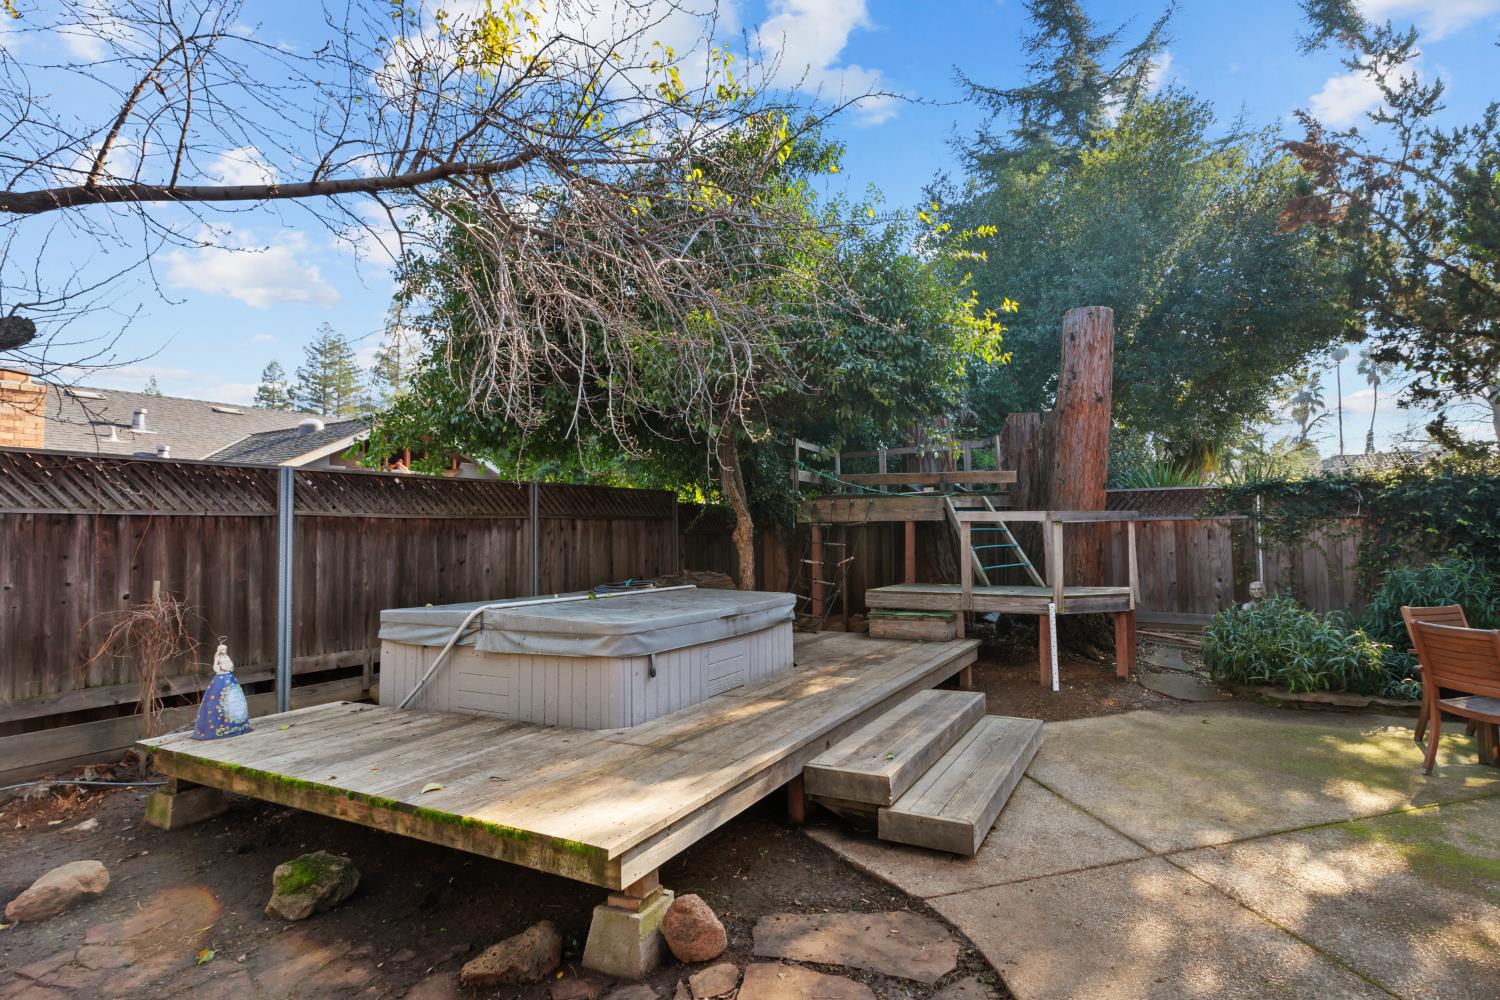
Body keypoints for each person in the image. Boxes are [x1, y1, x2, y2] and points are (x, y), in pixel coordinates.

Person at [192, 640, 252, 740]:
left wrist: (228, 666)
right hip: (221, 678)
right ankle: (220, 729)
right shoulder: (217, 658)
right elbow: (215, 668)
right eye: (223, 649)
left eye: (225, 649)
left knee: (234, 700)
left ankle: (238, 726)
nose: (225, 650)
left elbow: (231, 666)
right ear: (219, 650)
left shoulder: (227, 657)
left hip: (229, 677)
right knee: (218, 700)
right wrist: (221, 666)